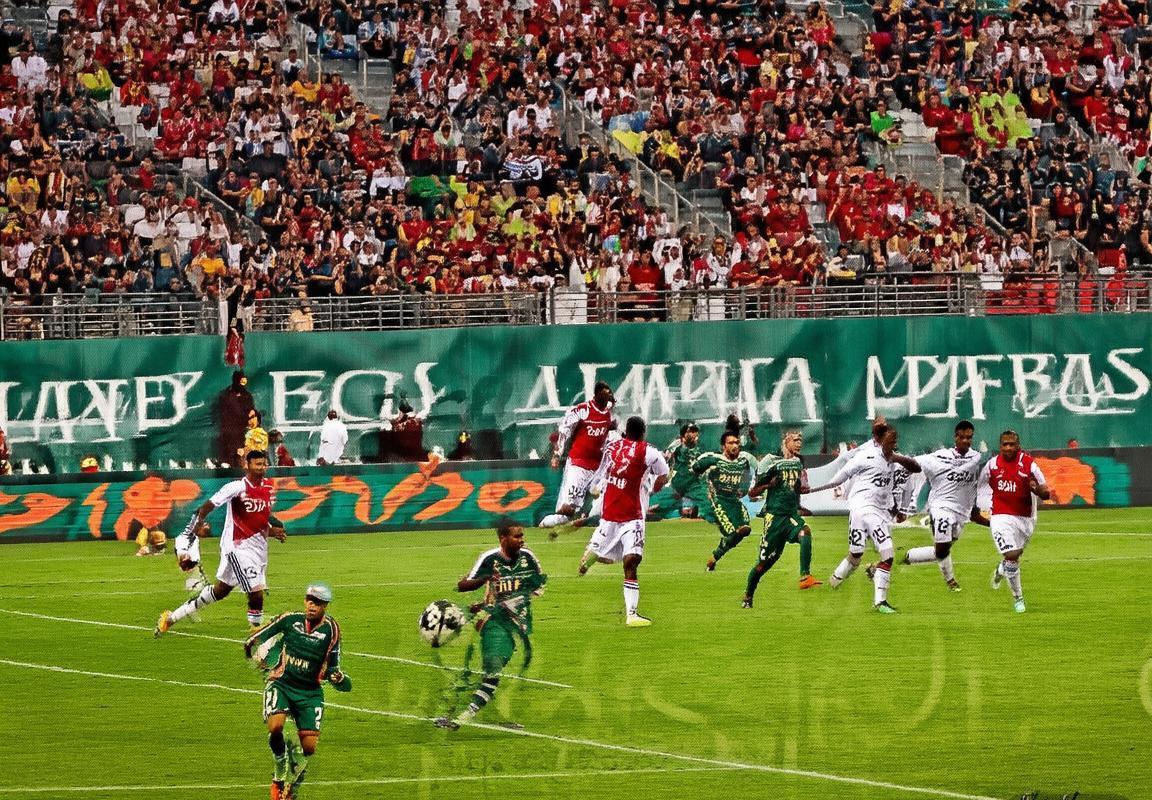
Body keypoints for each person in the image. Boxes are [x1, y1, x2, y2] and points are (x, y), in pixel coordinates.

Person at [156, 450, 286, 635]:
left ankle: (171, 617)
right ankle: (256, 632)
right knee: (255, 591)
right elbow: (208, 505)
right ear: (247, 465)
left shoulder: (267, 487)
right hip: (237, 547)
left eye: (264, 464)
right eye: (258, 464)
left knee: (220, 591)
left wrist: (272, 531)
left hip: (258, 548)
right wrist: (197, 524)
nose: (262, 468)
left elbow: (259, 518)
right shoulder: (236, 487)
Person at [435, 521, 546, 730]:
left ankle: (457, 713)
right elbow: (463, 585)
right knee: (491, 667)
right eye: (517, 536)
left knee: (489, 669)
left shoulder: (528, 558)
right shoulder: (489, 558)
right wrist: (486, 579)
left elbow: (538, 584)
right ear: (503, 538)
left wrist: (516, 599)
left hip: (516, 625)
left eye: (522, 536)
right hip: (492, 622)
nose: (522, 540)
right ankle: (459, 716)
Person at [245, 582, 351, 800]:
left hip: (310, 692)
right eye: (309, 600)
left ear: (325, 606)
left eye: (317, 603)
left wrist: (337, 677)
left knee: (309, 748)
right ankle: (279, 771)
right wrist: (253, 644)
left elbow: (333, 666)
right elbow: (263, 633)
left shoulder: (332, 630)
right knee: (276, 727)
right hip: (282, 683)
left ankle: (295, 772)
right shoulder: (290, 619)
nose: (312, 606)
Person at [808, 423, 922, 613]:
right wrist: (813, 490)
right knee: (888, 553)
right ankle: (880, 603)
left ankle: (834, 582)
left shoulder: (895, 460)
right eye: (890, 440)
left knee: (856, 555)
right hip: (864, 508)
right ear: (879, 440)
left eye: (895, 440)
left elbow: (916, 468)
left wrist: (896, 458)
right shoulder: (865, 456)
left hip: (875, 511)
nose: (894, 443)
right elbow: (841, 477)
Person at [578, 416, 670, 626]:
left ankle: (632, 615)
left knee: (631, 560)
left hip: (618, 515)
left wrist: (597, 486)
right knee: (627, 561)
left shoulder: (612, 447)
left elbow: (602, 470)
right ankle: (593, 555)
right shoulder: (650, 452)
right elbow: (664, 474)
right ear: (643, 432)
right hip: (627, 515)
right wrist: (653, 488)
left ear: (626, 431)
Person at [884, 421, 985, 591]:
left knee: (941, 551)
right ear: (955, 437)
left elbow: (975, 483)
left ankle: (907, 556)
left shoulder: (976, 458)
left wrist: (975, 509)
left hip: (961, 512)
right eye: (962, 437)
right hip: (940, 507)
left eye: (969, 438)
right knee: (943, 548)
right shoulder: (939, 457)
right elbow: (914, 463)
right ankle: (951, 582)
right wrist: (894, 457)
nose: (966, 441)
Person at [744, 430, 821, 607]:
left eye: (800, 440)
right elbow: (752, 492)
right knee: (764, 564)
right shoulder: (773, 463)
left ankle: (805, 576)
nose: (799, 443)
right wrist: (768, 484)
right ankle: (748, 596)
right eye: (795, 440)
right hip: (774, 519)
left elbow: (797, 487)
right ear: (786, 442)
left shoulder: (798, 463)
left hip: (790, 516)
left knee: (805, 532)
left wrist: (801, 490)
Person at [978, 430, 1050, 613]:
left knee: (1013, 558)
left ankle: (1001, 569)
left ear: (1018, 446)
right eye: (1005, 444)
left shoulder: (1029, 465)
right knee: (1011, 554)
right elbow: (980, 486)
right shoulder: (992, 465)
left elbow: (1046, 493)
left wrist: (1035, 488)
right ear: (1000, 446)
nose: (1008, 448)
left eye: (1012, 444)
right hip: (1000, 516)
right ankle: (1018, 598)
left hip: (1026, 518)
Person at [539, 381, 616, 530]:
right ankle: (544, 523)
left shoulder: (608, 411)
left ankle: (592, 519)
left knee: (603, 506)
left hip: (598, 468)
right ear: (597, 394)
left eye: (609, 394)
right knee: (566, 514)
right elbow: (564, 431)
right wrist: (556, 455)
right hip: (578, 466)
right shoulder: (581, 410)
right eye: (605, 394)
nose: (608, 397)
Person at [692, 431, 759, 571]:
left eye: (737, 442)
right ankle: (714, 558)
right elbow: (695, 469)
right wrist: (702, 488)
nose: (735, 445)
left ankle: (714, 558)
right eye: (731, 443)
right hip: (718, 501)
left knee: (745, 530)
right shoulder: (713, 460)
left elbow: (747, 475)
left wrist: (744, 489)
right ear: (723, 446)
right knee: (732, 532)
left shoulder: (743, 461)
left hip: (734, 501)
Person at [665, 422, 706, 518]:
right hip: (678, 481)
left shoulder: (699, 449)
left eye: (695, 431)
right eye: (690, 431)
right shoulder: (676, 447)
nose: (694, 434)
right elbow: (668, 458)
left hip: (694, 483)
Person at [216, 371, 255, 465]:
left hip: (242, 430)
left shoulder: (247, 395)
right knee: (231, 454)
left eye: (244, 382)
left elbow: (251, 410)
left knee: (241, 455)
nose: (243, 384)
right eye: (241, 381)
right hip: (229, 430)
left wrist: (250, 416)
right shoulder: (226, 395)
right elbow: (224, 412)